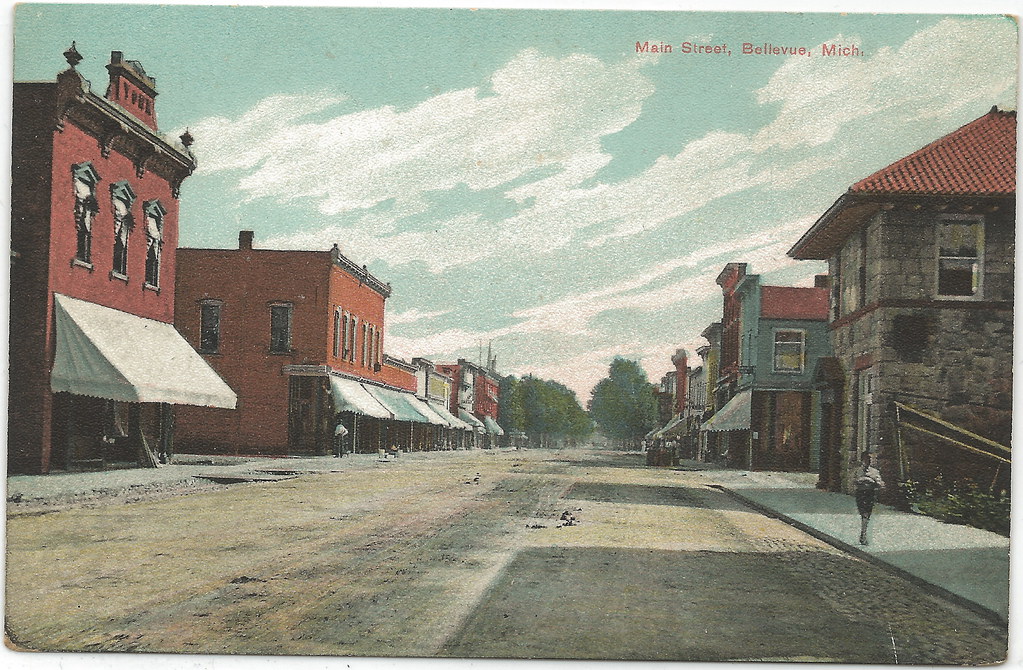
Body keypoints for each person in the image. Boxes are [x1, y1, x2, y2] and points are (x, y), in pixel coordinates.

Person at [854, 451, 885, 545]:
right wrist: (864, 480)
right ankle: (863, 534)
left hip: (869, 494)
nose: (869, 460)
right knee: (863, 514)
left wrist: (871, 481)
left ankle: (863, 534)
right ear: (863, 459)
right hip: (860, 493)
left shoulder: (875, 472)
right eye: (868, 458)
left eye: (871, 459)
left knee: (867, 514)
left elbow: (880, 484)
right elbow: (854, 481)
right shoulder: (858, 471)